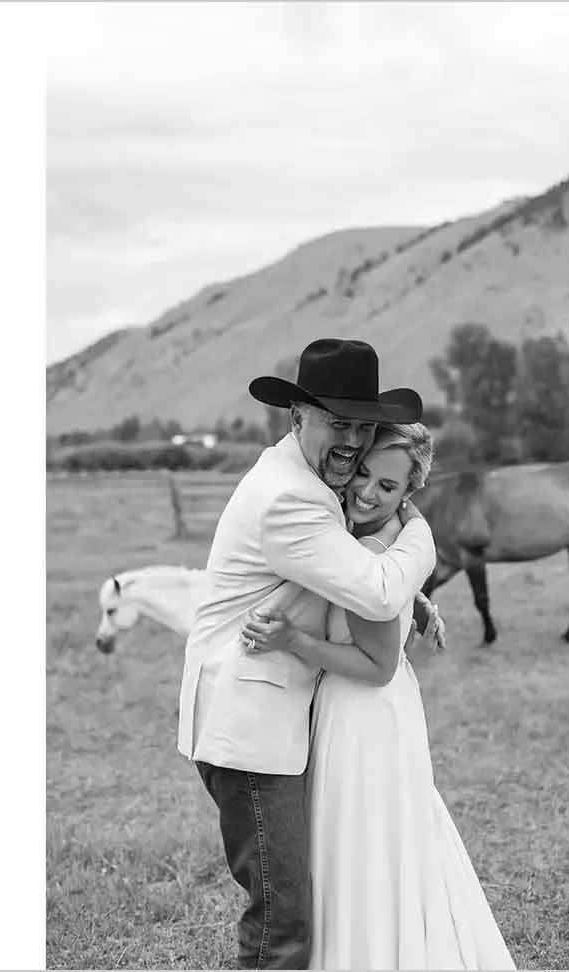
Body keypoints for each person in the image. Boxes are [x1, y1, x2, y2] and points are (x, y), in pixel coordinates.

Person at [180, 338, 438, 969]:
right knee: (283, 913)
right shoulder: (289, 497)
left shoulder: (301, 475)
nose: (351, 440)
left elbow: (342, 568)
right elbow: (376, 591)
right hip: (250, 724)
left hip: (270, 717)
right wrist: (421, 536)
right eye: (336, 423)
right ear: (298, 417)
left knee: (291, 902)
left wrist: (415, 596)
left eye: (362, 425)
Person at [243, 424, 514, 970]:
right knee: (381, 840)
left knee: (364, 846)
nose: (366, 491)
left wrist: (293, 640)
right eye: (363, 473)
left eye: (387, 487)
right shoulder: (374, 537)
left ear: (407, 494)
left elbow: (379, 666)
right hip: (367, 715)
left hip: (362, 715)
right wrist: (417, 593)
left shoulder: (371, 548)